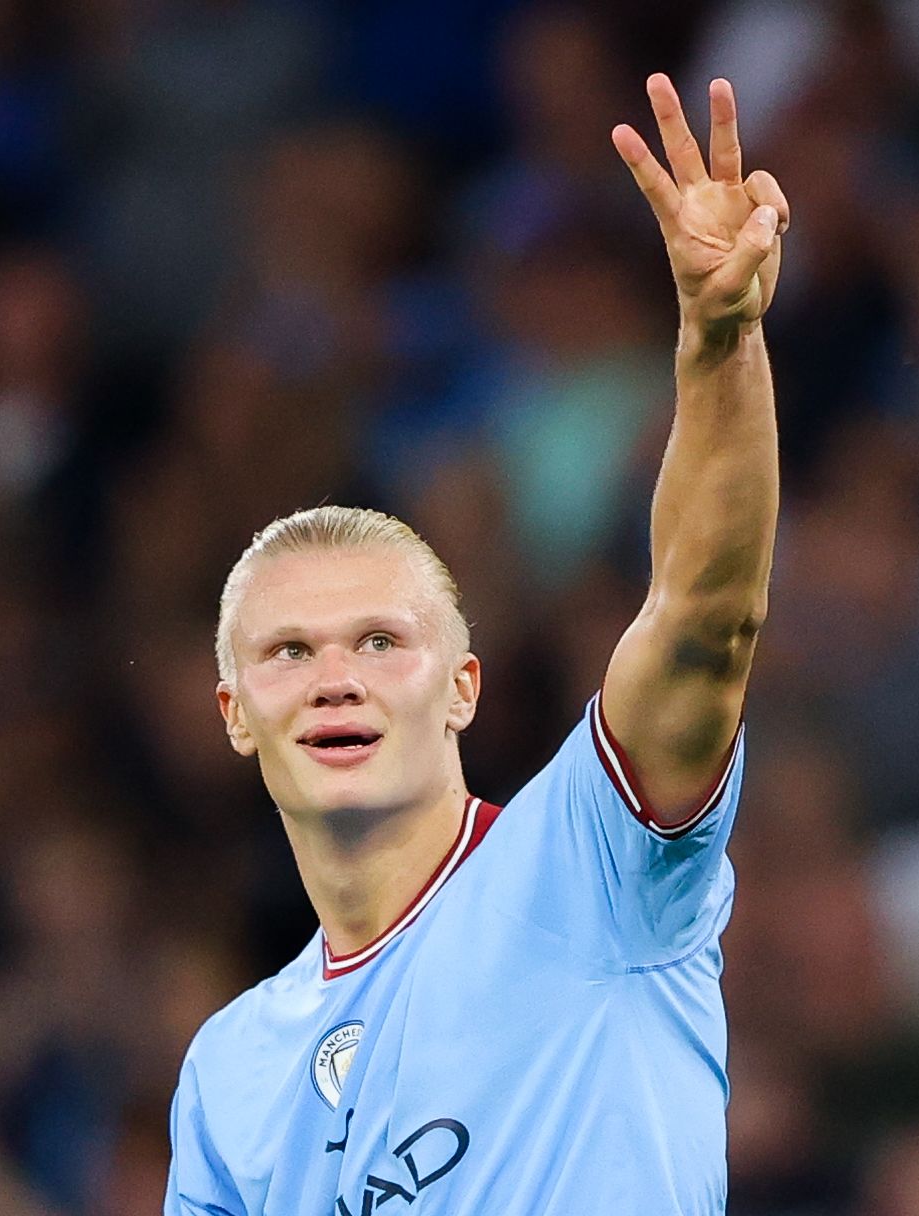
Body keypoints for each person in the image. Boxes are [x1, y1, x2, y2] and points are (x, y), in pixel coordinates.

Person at [165, 73, 788, 1214]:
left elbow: (706, 619)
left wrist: (721, 341)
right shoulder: (227, 1076)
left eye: (377, 641)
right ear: (234, 713)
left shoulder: (587, 865)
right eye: (289, 653)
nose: (335, 679)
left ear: (462, 687)